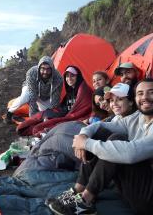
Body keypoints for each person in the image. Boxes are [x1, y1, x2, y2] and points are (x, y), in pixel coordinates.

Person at [46, 78, 153, 215]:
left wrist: (86, 144)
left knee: (117, 143)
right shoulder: (138, 118)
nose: (144, 97)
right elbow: (101, 126)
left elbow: (131, 153)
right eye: (140, 93)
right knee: (104, 134)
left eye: (151, 92)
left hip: (149, 199)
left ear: (130, 101)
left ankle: (85, 200)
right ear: (135, 97)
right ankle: (78, 189)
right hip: (134, 186)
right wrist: (82, 137)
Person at [31, 66, 92, 136]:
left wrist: (64, 118)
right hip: (69, 116)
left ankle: (49, 130)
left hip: (78, 117)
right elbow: (63, 108)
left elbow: (85, 107)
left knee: (46, 125)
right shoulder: (70, 92)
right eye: (67, 76)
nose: (69, 78)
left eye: (72, 76)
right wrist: (51, 115)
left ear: (78, 77)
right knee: (44, 115)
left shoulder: (83, 90)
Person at [5, 56, 63, 122]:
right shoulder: (31, 72)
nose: (45, 72)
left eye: (48, 69)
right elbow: (32, 95)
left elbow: (55, 99)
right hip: (31, 89)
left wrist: (51, 113)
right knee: (25, 97)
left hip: (45, 95)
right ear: (39, 67)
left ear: (52, 69)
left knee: (47, 111)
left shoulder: (58, 78)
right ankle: (9, 113)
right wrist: (32, 117)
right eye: (43, 68)